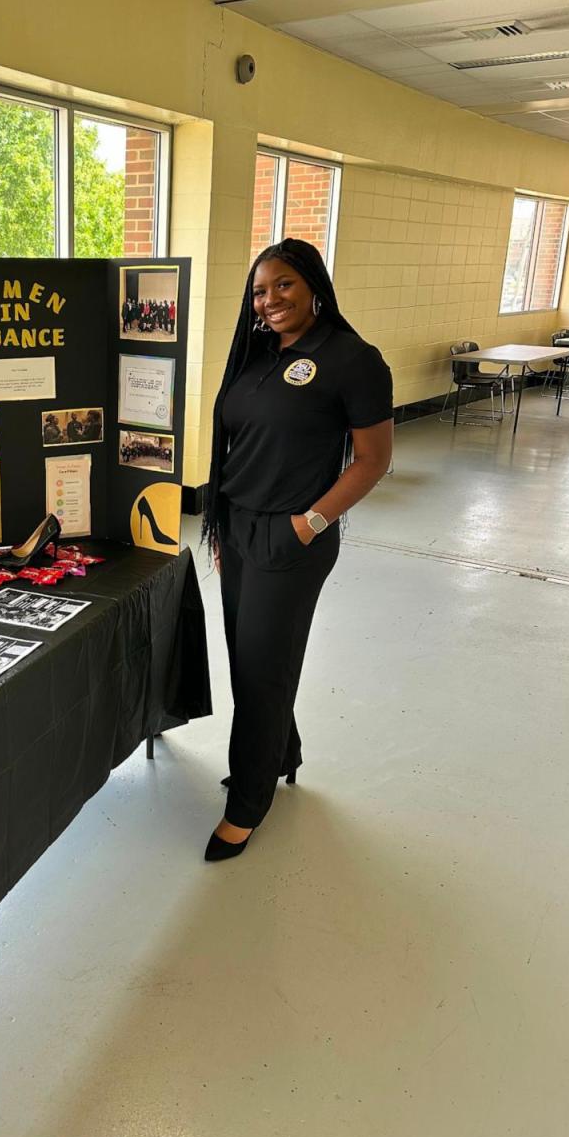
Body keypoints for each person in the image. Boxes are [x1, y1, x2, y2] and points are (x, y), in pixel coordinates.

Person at [200, 237, 393, 862]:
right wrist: (225, 529)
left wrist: (308, 524)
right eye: (260, 291)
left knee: (261, 669)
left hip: (292, 536)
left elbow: (373, 461)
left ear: (312, 283)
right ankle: (282, 751)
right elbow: (237, 445)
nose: (270, 299)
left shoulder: (351, 359)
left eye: (283, 284)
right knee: (250, 662)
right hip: (237, 527)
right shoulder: (255, 353)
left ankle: (248, 803)